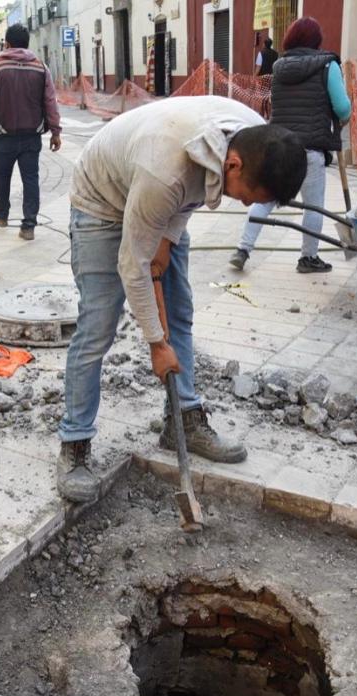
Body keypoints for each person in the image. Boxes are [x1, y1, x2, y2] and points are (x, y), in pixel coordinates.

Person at [56, 96, 307, 503]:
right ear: (234, 165)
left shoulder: (253, 135)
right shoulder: (165, 170)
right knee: (98, 326)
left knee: (180, 314)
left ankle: (183, 422)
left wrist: (168, 238)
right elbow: (133, 266)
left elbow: (192, 190)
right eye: (248, 197)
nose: (245, 204)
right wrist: (156, 344)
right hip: (102, 200)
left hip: (157, 196)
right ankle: (75, 443)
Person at [230, 16, 351, 274]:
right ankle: (308, 258)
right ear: (316, 41)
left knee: (265, 195)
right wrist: (343, 114)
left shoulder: (279, 67)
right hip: (311, 147)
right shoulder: (328, 65)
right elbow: (342, 108)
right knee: (313, 205)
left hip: (279, 145)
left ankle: (242, 249)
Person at [0, 23, 62, 241]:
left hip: (3, 135)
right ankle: (29, 225)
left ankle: (1, 214)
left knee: (2, 177)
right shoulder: (41, 68)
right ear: (27, 44)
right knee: (31, 179)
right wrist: (56, 131)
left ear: (7, 44)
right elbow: (50, 102)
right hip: (32, 134)